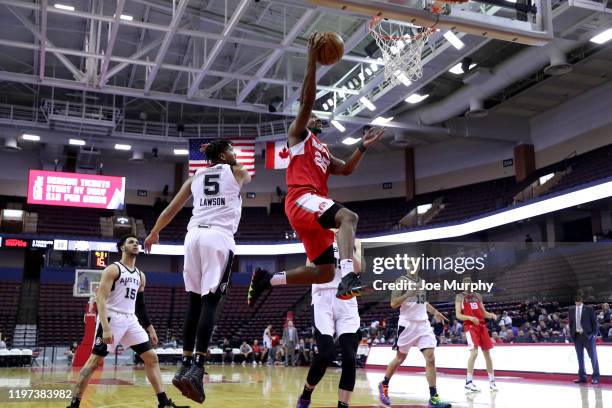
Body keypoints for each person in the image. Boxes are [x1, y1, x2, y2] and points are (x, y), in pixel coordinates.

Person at [247, 32, 385, 306]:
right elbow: (307, 102)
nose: (317, 116)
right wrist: (312, 61)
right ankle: (348, 276)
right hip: (302, 199)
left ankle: (267, 280)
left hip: (312, 206)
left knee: (323, 272)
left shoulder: (321, 148)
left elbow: (344, 169)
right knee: (349, 217)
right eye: (313, 115)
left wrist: (363, 146)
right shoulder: (298, 135)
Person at [144, 140, 251, 403]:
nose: (235, 154)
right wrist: (222, 153)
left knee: (193, 301)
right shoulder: (235, 171)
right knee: (211, 302)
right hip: (219, 236)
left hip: (192, 238)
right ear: (225, 155)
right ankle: (198, 369)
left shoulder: (196, 176)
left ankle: (184, 363)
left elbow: (171, 209)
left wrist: (154, 232)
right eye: (231, 150)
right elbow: (244, 174)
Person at [67, 235, 187, 408]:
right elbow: (100, 299)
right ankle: (74, 403)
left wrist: (150, 329)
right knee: (94, 363)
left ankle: (163, 402)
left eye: (137, 243)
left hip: (131, 319)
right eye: (131, 242)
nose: (136, 244)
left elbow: (140, 306)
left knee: (151, 358)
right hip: (112, 318)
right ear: (122, 248)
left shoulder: (141, 276)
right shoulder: (113, 269)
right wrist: (106, 328)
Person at [296, 236, 362, 408]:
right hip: (322, 298)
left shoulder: (354, 240)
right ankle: (306, 394)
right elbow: (310, 269)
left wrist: (342, 243)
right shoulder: (316, 238)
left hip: (347, 299)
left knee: (349, 357)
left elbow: (358, 268)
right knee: (326, 354)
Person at [377, 266, 451, 408]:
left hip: (423, 325)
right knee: (400, 358)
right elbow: (393, 304)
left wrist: (435, 312)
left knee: (430, 358)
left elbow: (423, 302)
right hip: (407, 325)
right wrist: (407, 294)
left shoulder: (421, 282)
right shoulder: (401, 281)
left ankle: (433, 398)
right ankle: (384, 384)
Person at [455, 276, 498, 392]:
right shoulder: (460, 297)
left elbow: (483, 313)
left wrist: (491, 315)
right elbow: (458, 315)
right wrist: (470, 317)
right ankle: (468, 382)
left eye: (469, 284)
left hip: (481, 327)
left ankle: (492, 382)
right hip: (469, 327)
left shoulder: (478, 296)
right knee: (474, 353)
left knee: (487, 354)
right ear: (463, 285)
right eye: (465, 284)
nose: (467, 286)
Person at [568, 294, 600, 384]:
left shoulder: (589, 309)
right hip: (577, 336)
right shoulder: (571, 309)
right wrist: (572, 335)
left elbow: (595, 323)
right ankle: (582, 377)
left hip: (588, 336)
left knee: (593, 357)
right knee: (580, 358)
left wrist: (593, 335)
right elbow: (571, 324)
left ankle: (595, 377)